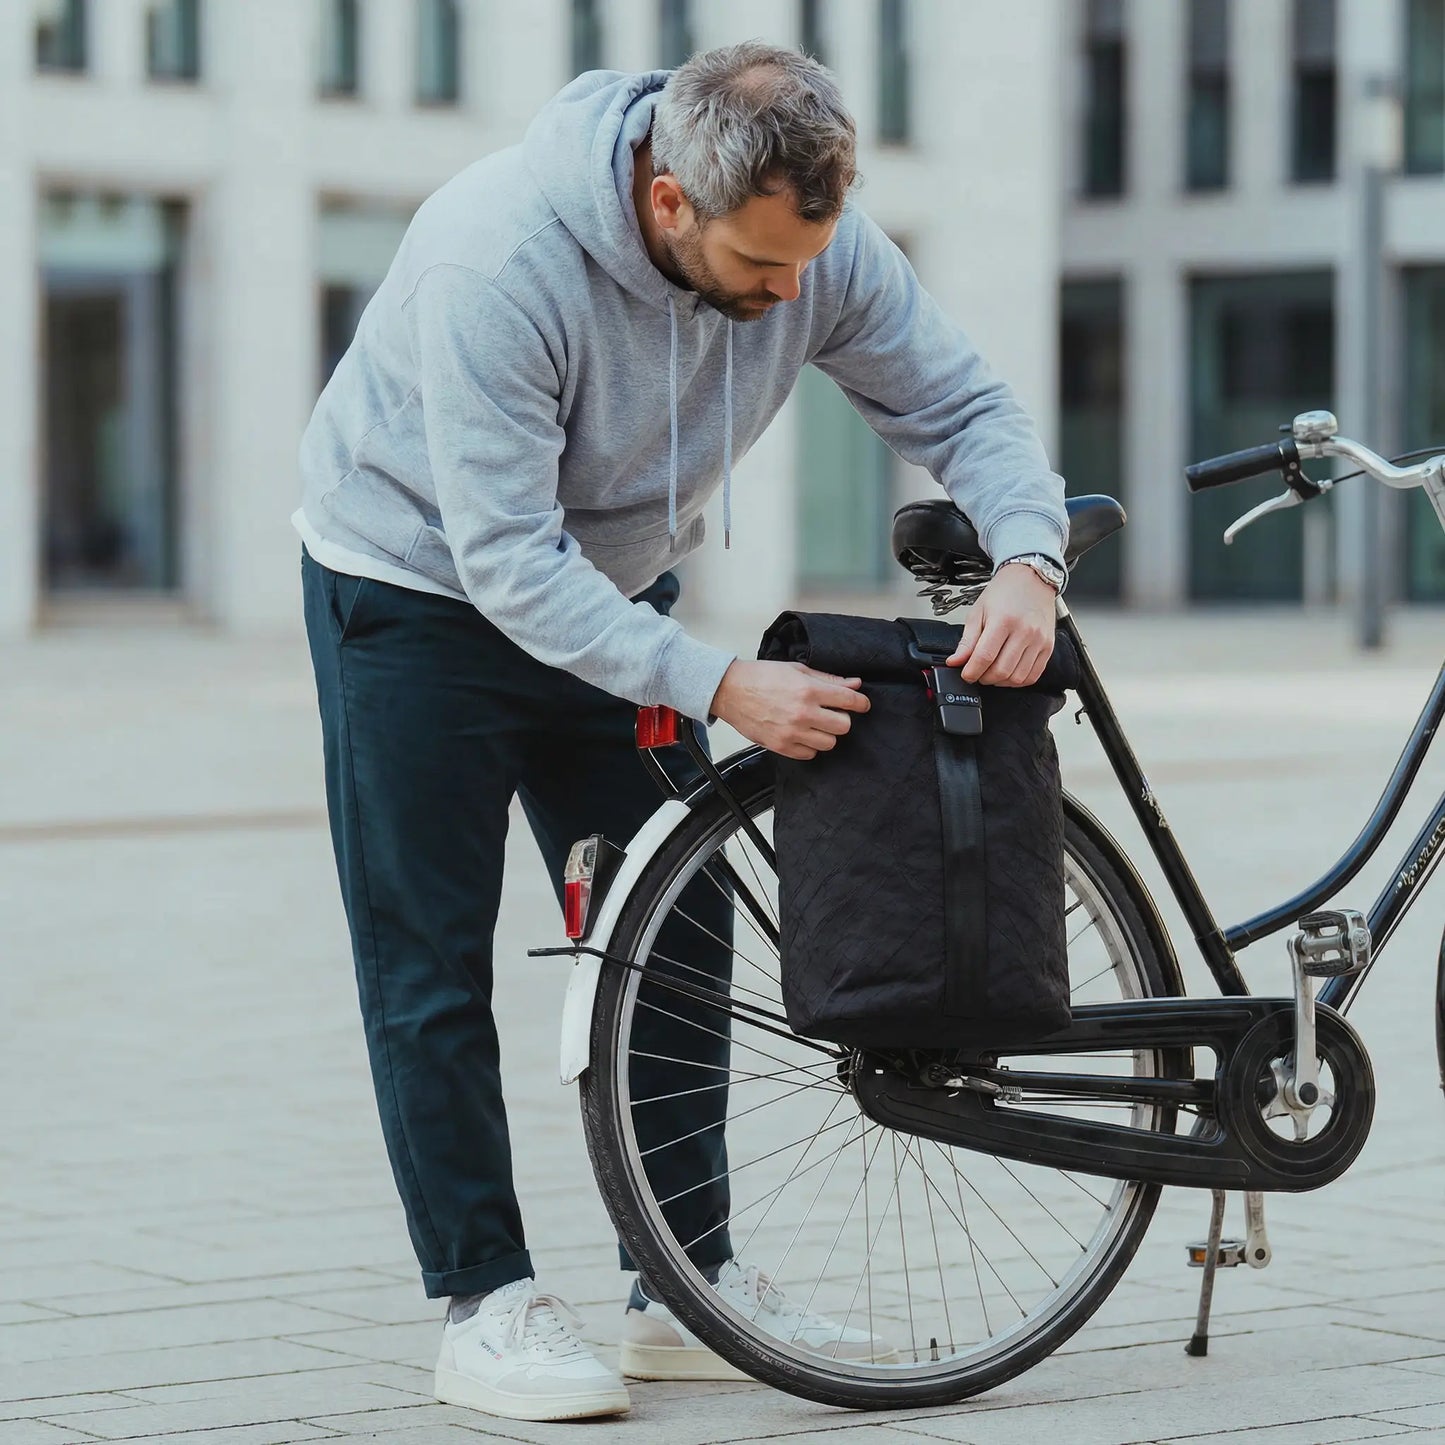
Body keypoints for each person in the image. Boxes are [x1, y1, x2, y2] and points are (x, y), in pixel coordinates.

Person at [296, 40, 1067, 1425]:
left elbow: (959, 404)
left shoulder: (810, 241)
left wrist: (1028, 556)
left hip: (613, 596)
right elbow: (506, 560)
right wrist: (717, 681)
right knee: (427, 954)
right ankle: (484, 1299)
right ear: (666, 205)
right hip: (410, 597)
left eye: (805, 268)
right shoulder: (497, 257)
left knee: (680, 937)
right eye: (762, 270)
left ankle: (681, 1284)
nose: (789, 298)